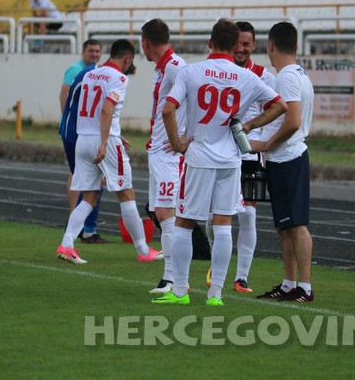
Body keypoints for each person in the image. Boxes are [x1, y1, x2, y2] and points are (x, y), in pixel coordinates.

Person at [152, 19, 287, 305]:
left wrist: (177, 144)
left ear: (210, 43)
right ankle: (216, 294)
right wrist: (249, 126)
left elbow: (167, 111)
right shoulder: (247, 77)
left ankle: (180, 290)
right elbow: (280, 105)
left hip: (199, 157)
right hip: (230, 159)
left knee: (184, 222)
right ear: (235, 44)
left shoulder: (191, 71)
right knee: (224, 224)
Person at [56, 39, 163, 264]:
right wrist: (106, 140)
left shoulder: (90, 74)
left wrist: (109, 134)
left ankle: (66, 244)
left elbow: (86, 108)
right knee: (127, 193)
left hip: (83, 138)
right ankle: (143, 250)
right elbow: (106, 109)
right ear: (127, 58)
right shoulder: (119, 78)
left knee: (89, 197)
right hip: (103, 141)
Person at [204, 21, 276, 294]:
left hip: (247, 155)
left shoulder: (263, 76)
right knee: (213, 217)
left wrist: (259, 140)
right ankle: (216, 262)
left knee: (247, 215)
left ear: (254, 46)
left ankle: (241, 277)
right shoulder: (218, 72)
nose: (241, 49)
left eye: (246, 44)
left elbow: (276, 110)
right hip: (218, 152)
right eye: (237, 43)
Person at [249, 22, 316, 303]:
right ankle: (290, 283)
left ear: (271, 46)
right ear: (297, 46)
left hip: (289, 157)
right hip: (284, 158)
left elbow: (293, 121)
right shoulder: (299, 74)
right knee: (285, 225)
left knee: (296, 225)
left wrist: (265, 144)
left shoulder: (287, 77)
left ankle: (306, 287)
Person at [140, 18, 188, 294]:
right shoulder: (163, 68)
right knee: (161, 212)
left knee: (168, 213)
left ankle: (172, 278)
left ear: (146, 43)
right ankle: (172, 277)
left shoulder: (175, 66)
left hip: (170, 153)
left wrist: (186, 137)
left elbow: (196, 97)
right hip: (158, 150)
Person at [59, 39, 110, 244]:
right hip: (78, 131)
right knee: (92, 179)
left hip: (83, 131)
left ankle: (79, 222)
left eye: (98, 51)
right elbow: (64, 97)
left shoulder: (95, 72)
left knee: (81, 176)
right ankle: (82, 226)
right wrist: (71, 123)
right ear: (83, 52)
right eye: (91, 50)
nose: (95, 54)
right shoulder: (76, 70)